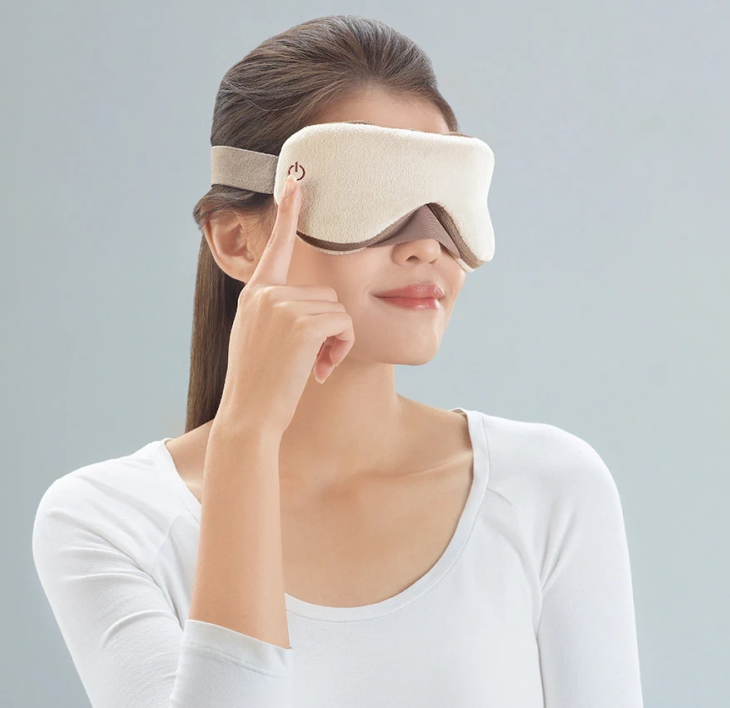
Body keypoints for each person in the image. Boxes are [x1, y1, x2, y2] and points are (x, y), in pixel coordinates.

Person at [31, 15, 644, 708]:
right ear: (235, 241)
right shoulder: (109, 522)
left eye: (446, 197)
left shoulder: (548, 490)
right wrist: (245, 438)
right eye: (370, 195)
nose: (427, 245)